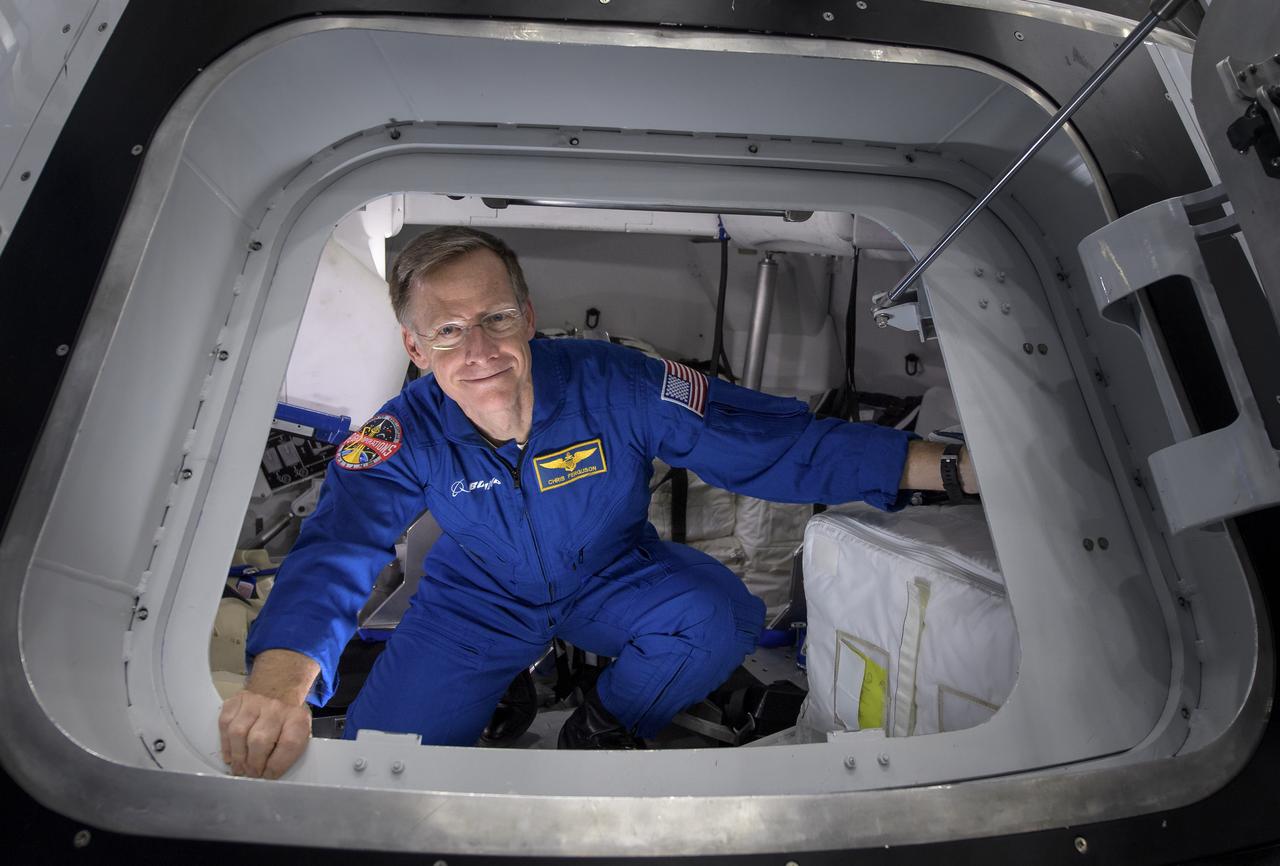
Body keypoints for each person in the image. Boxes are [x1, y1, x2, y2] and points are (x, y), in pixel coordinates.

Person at [218, 226, 977, 779]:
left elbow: (765, 447)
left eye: (495, 319)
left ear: (529, 315)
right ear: (416, 350)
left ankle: (606, 725)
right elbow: (337, 550)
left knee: (720, 617)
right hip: (477, 603)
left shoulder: (615, 381)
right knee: (376, 773)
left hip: (612, 573)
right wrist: (278, 687)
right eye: (448, 331)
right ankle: (501, 676)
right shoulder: (400, 435)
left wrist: (949, 468)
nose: (478, 350)